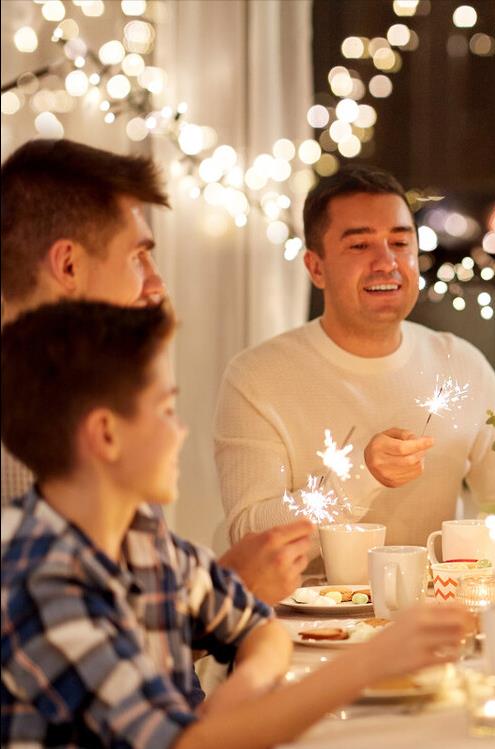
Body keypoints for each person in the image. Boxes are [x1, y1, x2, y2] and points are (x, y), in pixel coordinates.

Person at [0, 301, 472, 748]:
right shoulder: (42, 579)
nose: (180, 432)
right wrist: (371, 661)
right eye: (166, 411)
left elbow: (253, 623)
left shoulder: (138, 535)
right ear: (106, 434)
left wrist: (231, 702)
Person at [0, 138, 311, 604]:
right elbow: (82, 638)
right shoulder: (32, 424)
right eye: (136, 257)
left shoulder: (93, 384)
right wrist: (232, 590)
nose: (156, 282)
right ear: (68, 265)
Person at [215, 165, 495, 562]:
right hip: (302, 621)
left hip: (432, 613)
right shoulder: (257, 377)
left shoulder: (459, 363)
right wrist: (359, 476)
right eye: (360, 246)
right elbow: (249, 536)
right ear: (315, 267)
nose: (386, 263)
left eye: (400, 243)